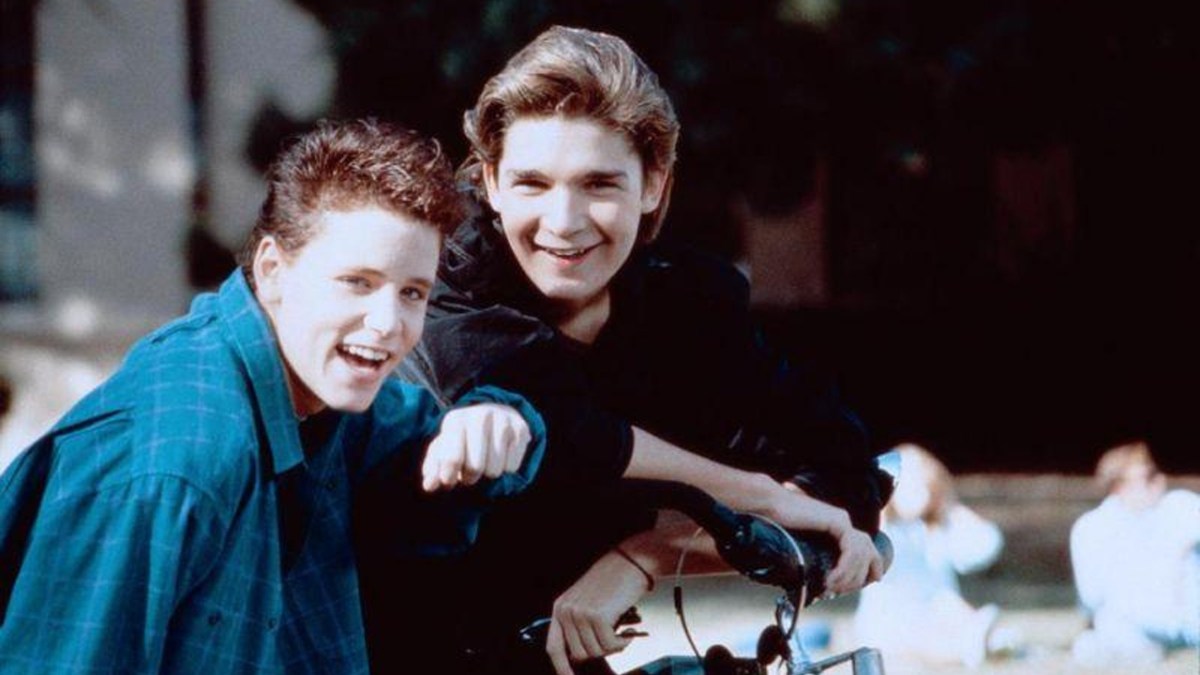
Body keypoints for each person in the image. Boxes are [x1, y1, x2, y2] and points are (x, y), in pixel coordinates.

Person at [356, 26, 890, 675]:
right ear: (491, 182)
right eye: (531, 183)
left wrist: (652, 552)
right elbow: (564, 429)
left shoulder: (679, 304)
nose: (563, 220)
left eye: (600, 184)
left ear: (654, 185)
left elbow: (845, 483)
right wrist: (758, 495)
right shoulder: (447, 289)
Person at [0, 119, 546, 674]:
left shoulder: (323, 391)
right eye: (357, 281)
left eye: (411, 293)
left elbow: (433, 449)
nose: (387, 324)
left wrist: (494, 417)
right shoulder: (175, 463)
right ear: (272, 271)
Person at [852, 443, 1009, 668]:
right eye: (909, 488)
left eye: (924, 488)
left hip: (941, 614)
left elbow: (985, 548)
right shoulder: (882, 530)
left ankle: (980, 640)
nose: (917, 497)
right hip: (895, 618)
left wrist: (953, 511)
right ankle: (971, 647)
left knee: (948, 604)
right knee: (926, 629)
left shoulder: (935, 531)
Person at [1069, 439, 1200, 667]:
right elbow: (1091, 597)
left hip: (1189, 618)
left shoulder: (1180, 506)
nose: (1159, 481)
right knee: (1100, 637)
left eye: (1158, 473)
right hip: (1133, 624)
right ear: (1118, 485)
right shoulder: (1091, 528)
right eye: (1148, 477)